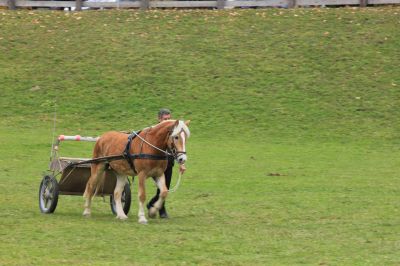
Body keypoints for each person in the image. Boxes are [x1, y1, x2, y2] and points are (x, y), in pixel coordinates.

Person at [147, 108, 186, 218]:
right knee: (162, 188)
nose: (168, 121)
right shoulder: (153, 132)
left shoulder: (172, 133)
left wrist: (181, 164)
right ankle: (161, 210)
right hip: (155, 165)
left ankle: (152, 204)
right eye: (165, 119)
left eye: (169, 119)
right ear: (159, 119)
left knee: (165, 189)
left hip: (168, 163)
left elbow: (177, 149)